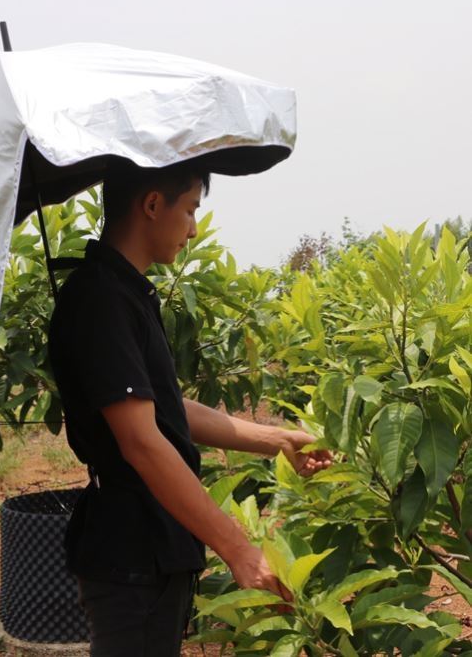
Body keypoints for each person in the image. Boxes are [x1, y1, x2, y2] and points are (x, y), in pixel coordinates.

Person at [47, 158, 332, 657]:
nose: (195, 230)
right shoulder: (101, 299)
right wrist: (238, 549)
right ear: (153, 205)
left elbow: (164, 409)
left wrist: (277, 440)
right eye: (191, 210)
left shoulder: (125, 291)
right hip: (133, 551)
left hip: (151, 544)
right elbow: (141, 441)